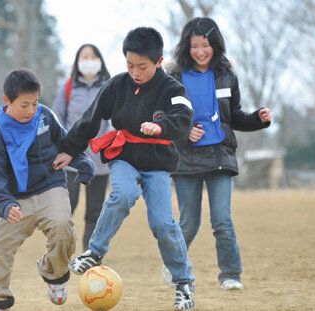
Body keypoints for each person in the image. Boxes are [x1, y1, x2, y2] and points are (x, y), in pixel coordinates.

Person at [53, 27, 196, 310]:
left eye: (142, 66)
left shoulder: (173, 89)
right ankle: (94, 251)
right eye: (130, 65)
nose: (135, 72)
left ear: (158, 61)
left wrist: (161, 126)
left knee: (163, 224)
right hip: (124, 155)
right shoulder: (117, 86)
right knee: (122, 194)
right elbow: (90, 119)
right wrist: (69, 149)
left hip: (157, 162)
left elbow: (184, 117)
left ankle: (184, 283)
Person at [165, 17, 272, 291]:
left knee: (222, 220)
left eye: (206, 45)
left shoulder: (227, 75)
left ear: (216, 45)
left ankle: (230, 275)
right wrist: (184, 132)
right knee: (188, 223)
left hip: (220, 157)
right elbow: (162, 117)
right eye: (194, 46)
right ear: (186, 47)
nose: (200, 51)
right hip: (186, 159)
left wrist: (258, 119)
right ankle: (174, 267)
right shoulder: (173, 77)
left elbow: (233, 116)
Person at [0, 69, 94, 311]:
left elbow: (65, 143)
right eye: (24, 105)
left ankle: (53, 275)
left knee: (63, 225)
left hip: (49, 186)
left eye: (35, 103)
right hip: (15, 200)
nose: (31, 110)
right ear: (6, 101)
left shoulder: (44, 116)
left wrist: (81, 162)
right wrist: (4, 204)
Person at [53, 43, 111, 251]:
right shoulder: (67, 88)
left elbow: (115, 120)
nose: (89, 60)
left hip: (100, 161)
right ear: (77, 61)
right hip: (71, 160)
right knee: (68, 206)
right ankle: (63, 247)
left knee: (95, 210)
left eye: (93, 56)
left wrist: (109, 146)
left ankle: (90, 251)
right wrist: (61, 147)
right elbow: (57, 118)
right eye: (84, 57)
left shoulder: (109, 86)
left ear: (100, 60)